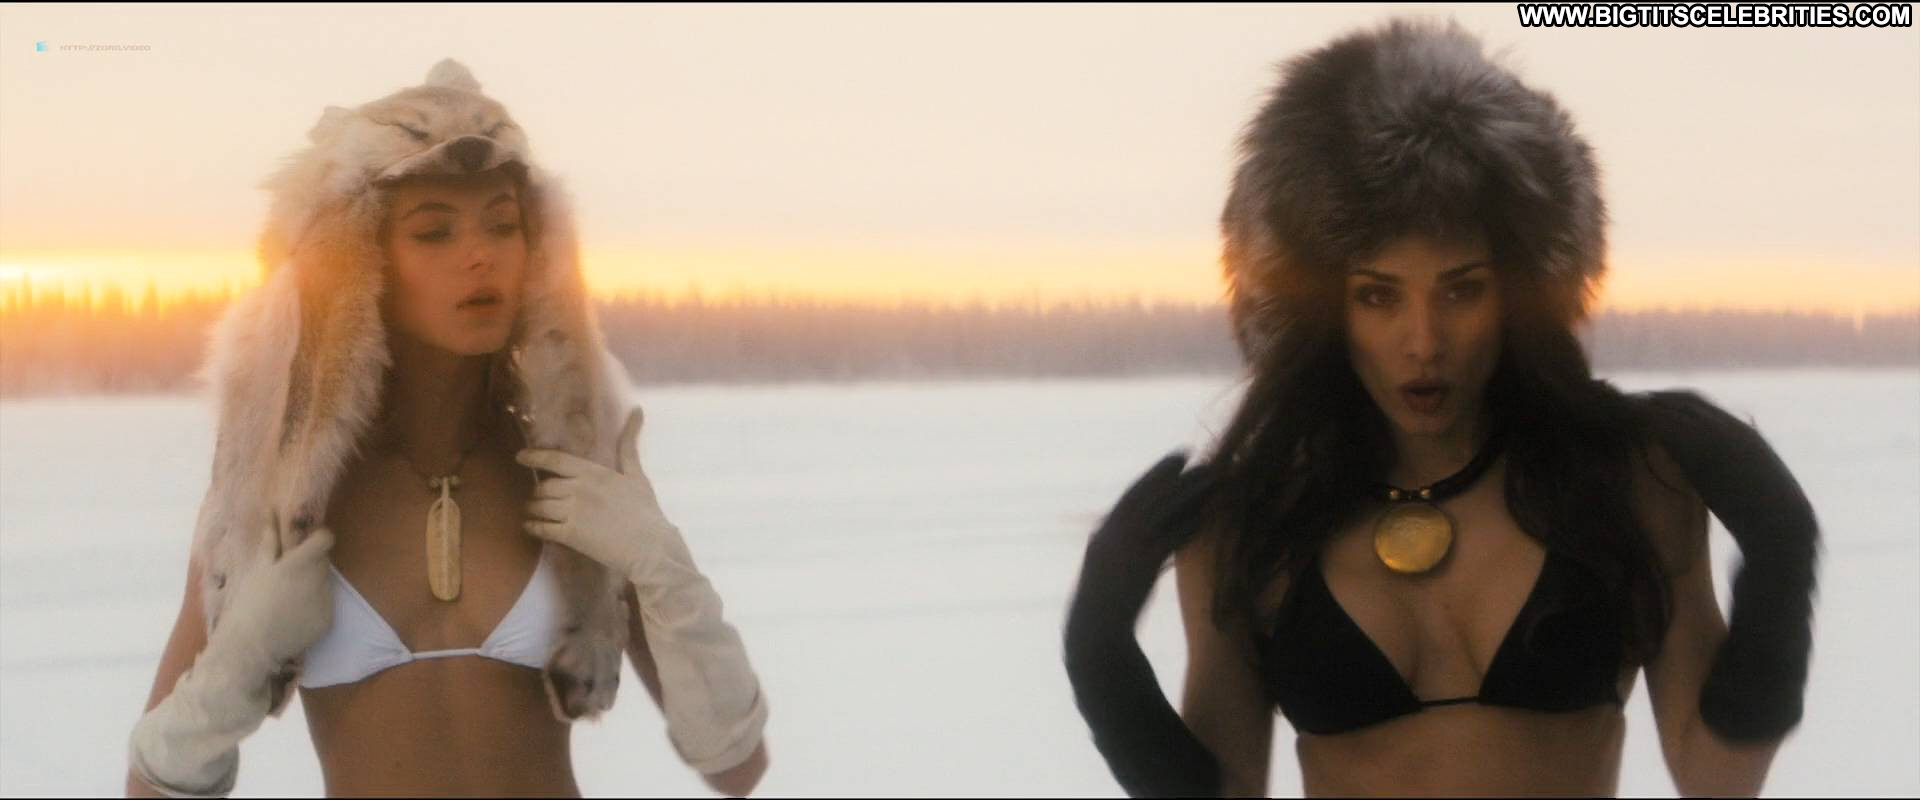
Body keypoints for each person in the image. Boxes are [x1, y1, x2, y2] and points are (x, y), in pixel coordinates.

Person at [1064, 18, 1818, 797]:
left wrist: (1781, 553)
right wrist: (1102, 662)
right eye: (1378, 296)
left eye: (1461, 290)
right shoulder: (1252, 524)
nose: (1423, 342)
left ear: (1518, 293)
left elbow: (1716, 779)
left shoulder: (1628, 485)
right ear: (1325, 310)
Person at [126, 59, 769, 797]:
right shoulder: (282, 493)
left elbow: (735, 767)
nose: (480, 254)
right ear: (360, 261)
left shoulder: (572, 474)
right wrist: (238, 663)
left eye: (504, 224)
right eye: (434, 231)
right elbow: (149, 791)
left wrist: (663, 565)